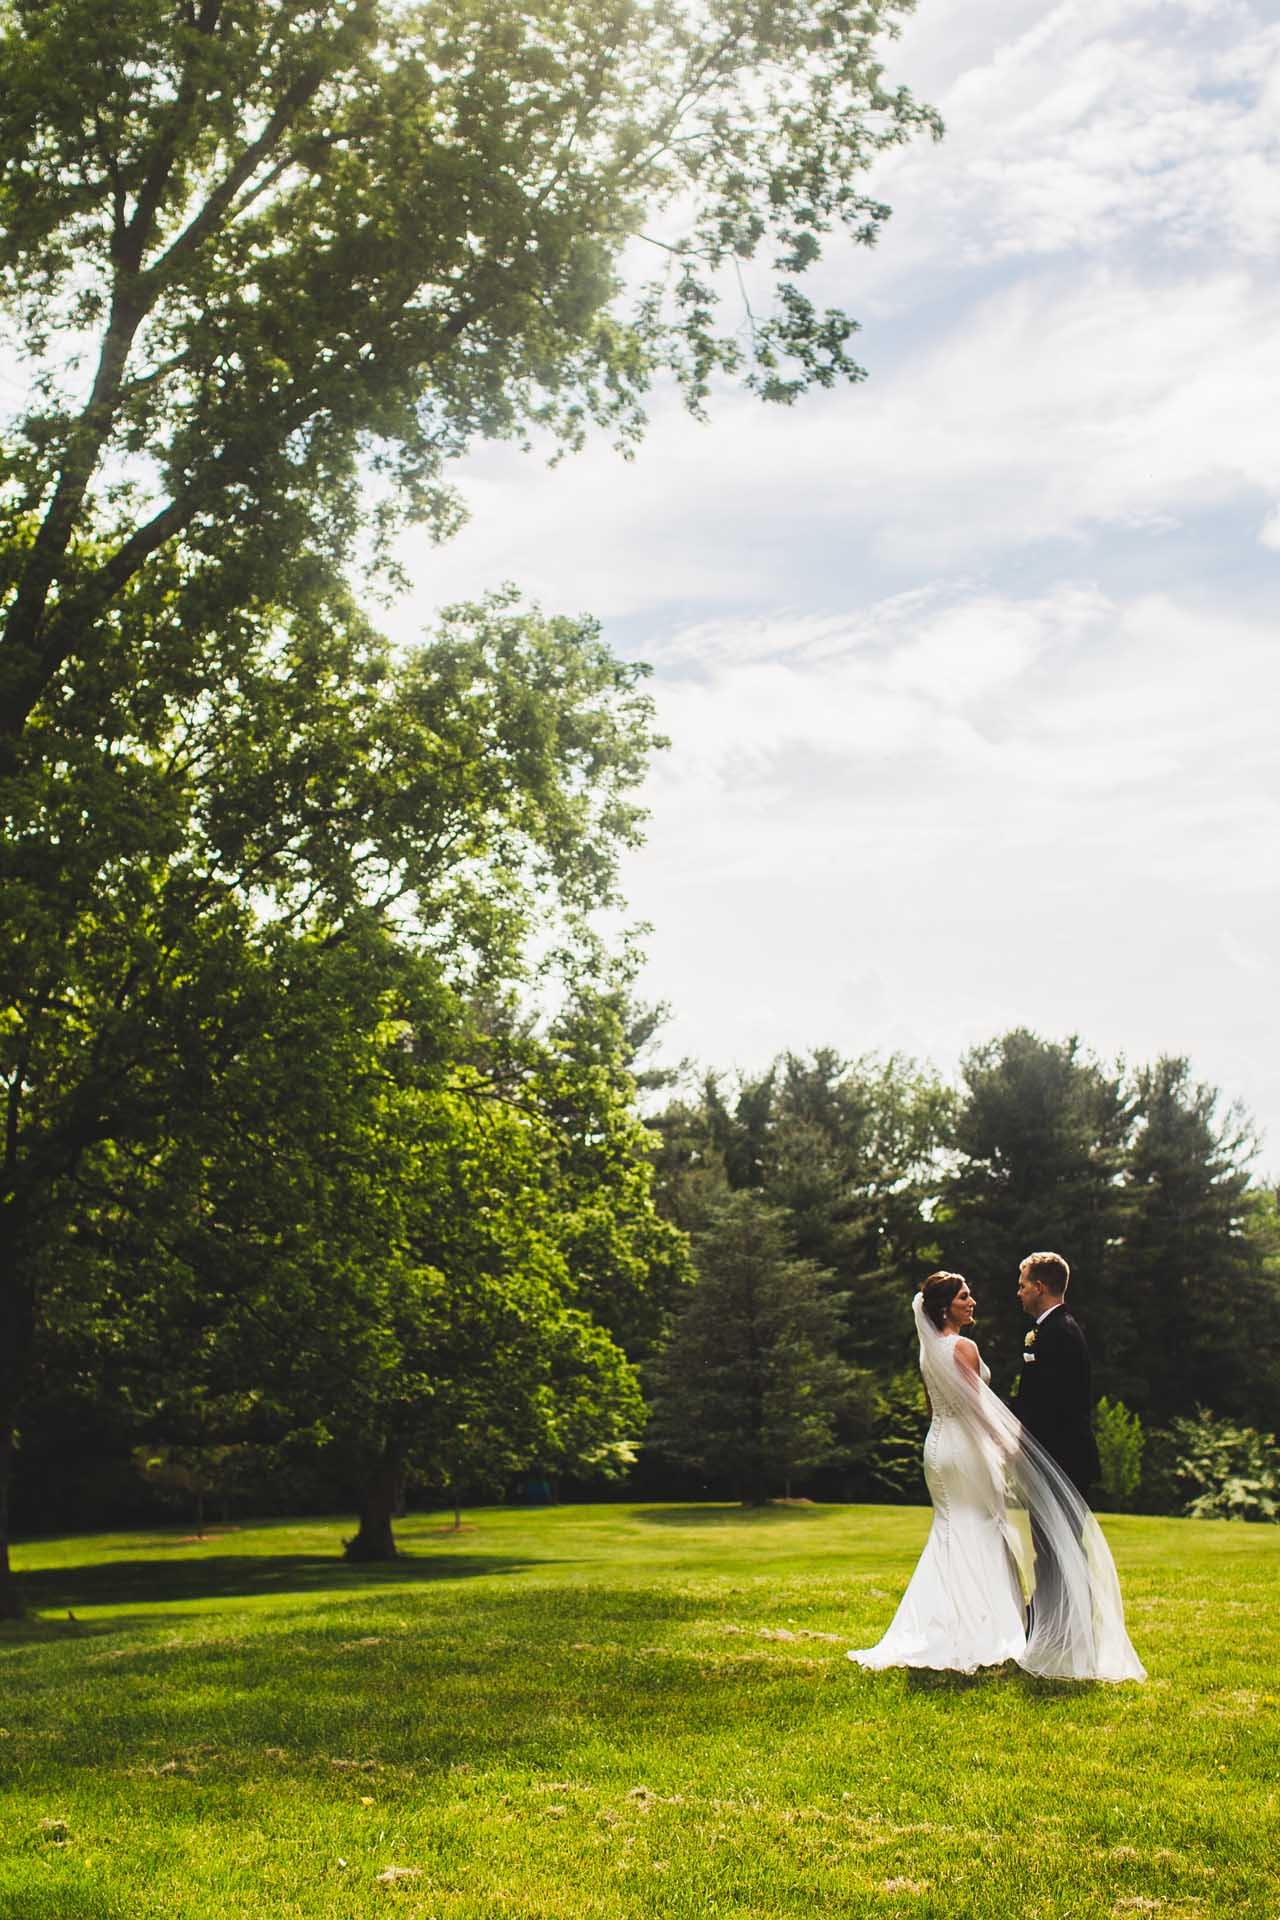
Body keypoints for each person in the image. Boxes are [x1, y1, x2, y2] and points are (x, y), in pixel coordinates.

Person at [848, 1270, 1145, 1681]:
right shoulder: (964, 1347)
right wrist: (1006, 1445)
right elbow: (978, 1409)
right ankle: (984, 1630)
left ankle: (941, 1624)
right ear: (944, 1308)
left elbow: (936, 1408)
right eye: (964, 1297)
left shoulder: (928, 1351)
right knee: (982, 1526)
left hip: (939, 1446)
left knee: (950, 1530)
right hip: (967, 1449)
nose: (972, 1302)